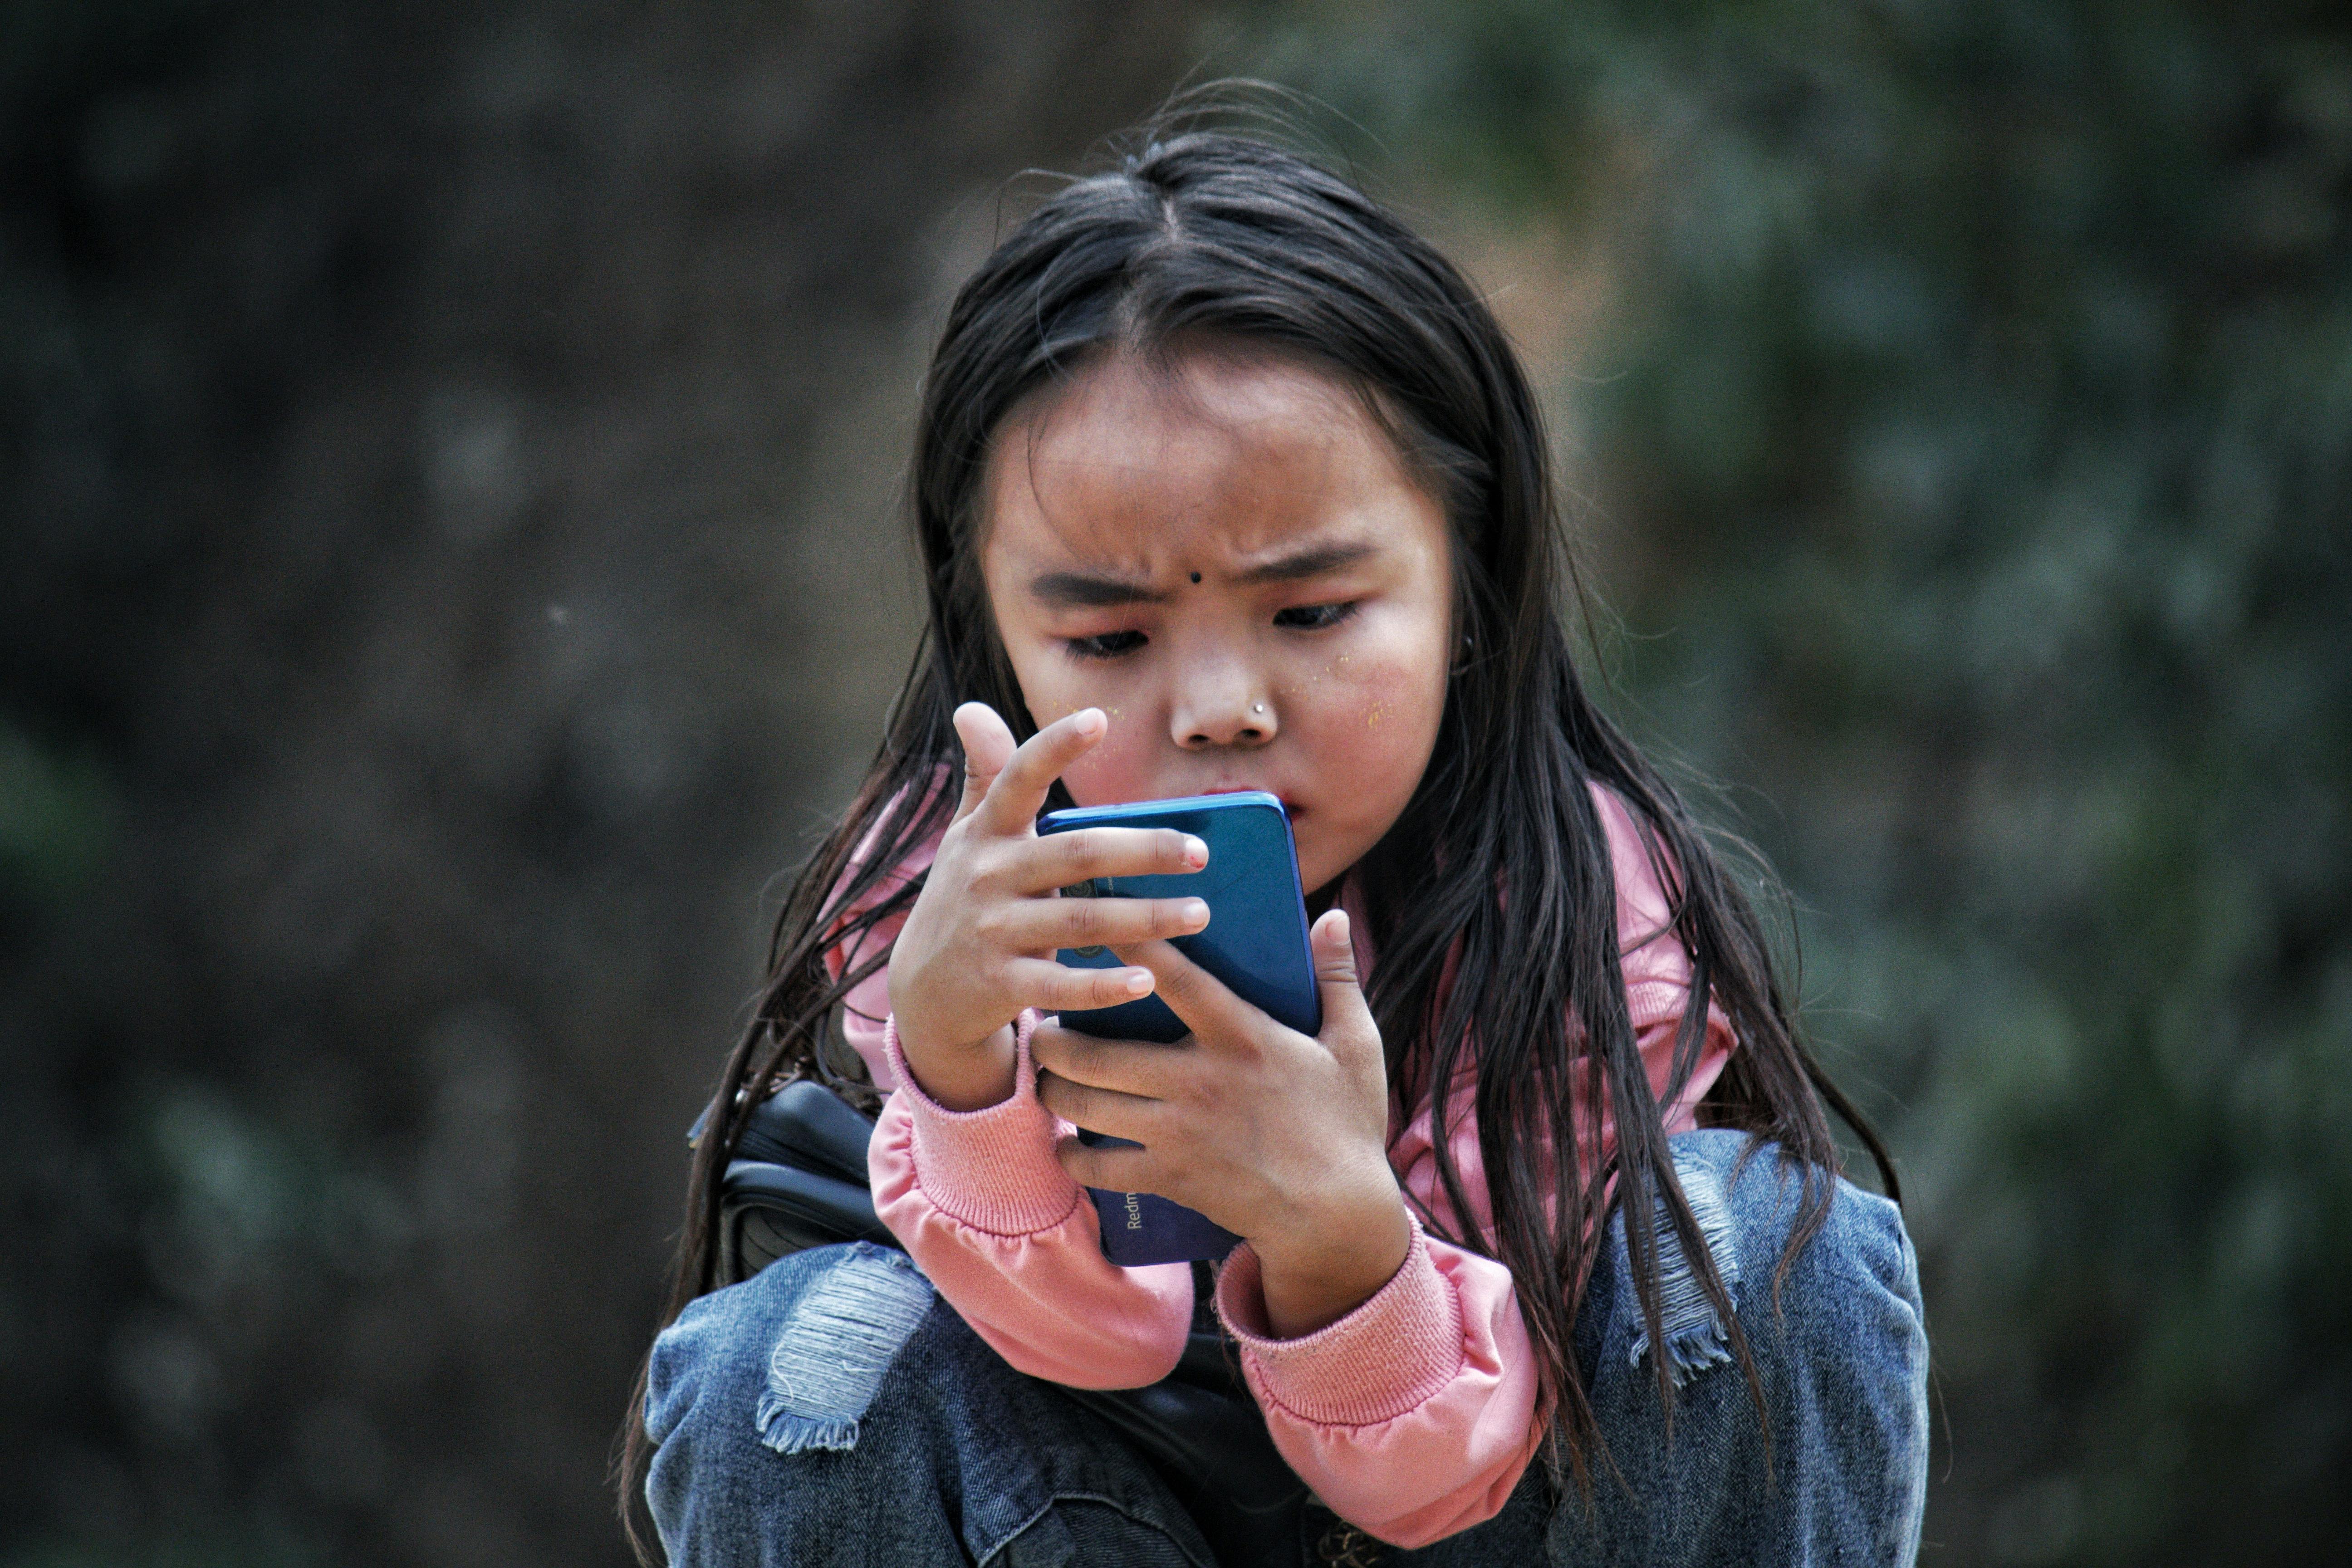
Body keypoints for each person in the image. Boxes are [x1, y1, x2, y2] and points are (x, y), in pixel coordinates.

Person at [620, 127, 1929, 1567]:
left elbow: (1435, 1491)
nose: (1221, 709)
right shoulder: (952, 917)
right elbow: (1087, 1345)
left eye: (1310, 614)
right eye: (1109, 637)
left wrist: (1333, 1240)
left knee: (1754, 1252)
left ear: (1467, 581)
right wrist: (961, 1074)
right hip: (1085, 1519)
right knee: (795, 1363)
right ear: (988, 623)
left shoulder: (1589, 927)